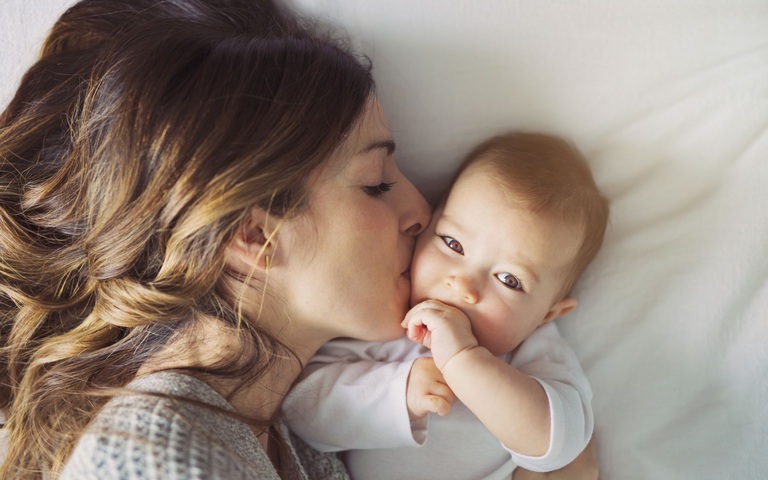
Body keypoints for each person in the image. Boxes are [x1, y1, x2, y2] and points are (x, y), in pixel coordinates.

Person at [0, 0, 600, 478]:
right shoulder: (153, 458)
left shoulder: (291, 437)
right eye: (377, 183)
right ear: (253, 235)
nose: (423, 212)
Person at [284, 131, 610, 480]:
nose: (463, 285)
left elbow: (560, 443)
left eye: (509, 280)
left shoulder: (535, 353)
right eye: (453, 244)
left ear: (547, 315)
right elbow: (302, 413)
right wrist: (399, 393)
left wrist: (465, 361)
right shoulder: (383, 323)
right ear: (423, 232)